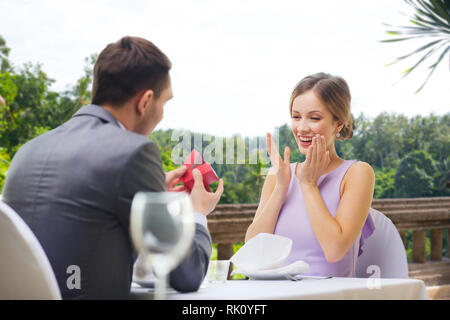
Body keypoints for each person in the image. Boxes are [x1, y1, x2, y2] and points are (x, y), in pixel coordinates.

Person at [2, 36, 224, 299]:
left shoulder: (27, 151)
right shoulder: (134, 153)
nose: (162, 113)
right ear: (145, 101)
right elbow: (187, 274)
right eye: (164, 103)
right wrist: (197, 213)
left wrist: (149, 195)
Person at [245, 72, 375, 277]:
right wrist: (281, 187)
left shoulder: (357, 173)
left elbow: (335, 250)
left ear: (338, 123)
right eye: (296, 117)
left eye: (314, 118)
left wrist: (308, 184)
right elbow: (253, 250)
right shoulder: (280, 174)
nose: (302, 128)